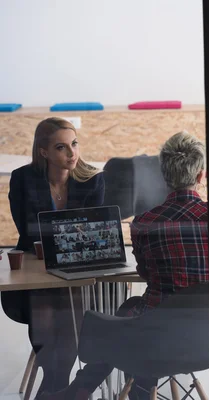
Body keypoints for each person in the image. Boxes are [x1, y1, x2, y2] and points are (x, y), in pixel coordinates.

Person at [40, 131, 209, 400]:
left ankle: (96, 389)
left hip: (153, 337)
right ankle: (123, 388)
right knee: (136, 313)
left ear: (163, 177)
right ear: (201, 176)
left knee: (131, 311)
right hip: (206, 341)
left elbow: (147, 274)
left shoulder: (145, 222)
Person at [1, 117, 104, 397]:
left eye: (74, 144)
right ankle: (58, 384)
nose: (72, 153)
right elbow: (27, 229)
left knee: (68, 312)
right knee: (47, 317)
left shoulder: (92, 180)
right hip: (38, 267)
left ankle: (53, 388)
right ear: (44, 152)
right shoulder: (23, 178)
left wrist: (63, 239)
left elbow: (92, 234)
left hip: (76, 269)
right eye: (61, 147)